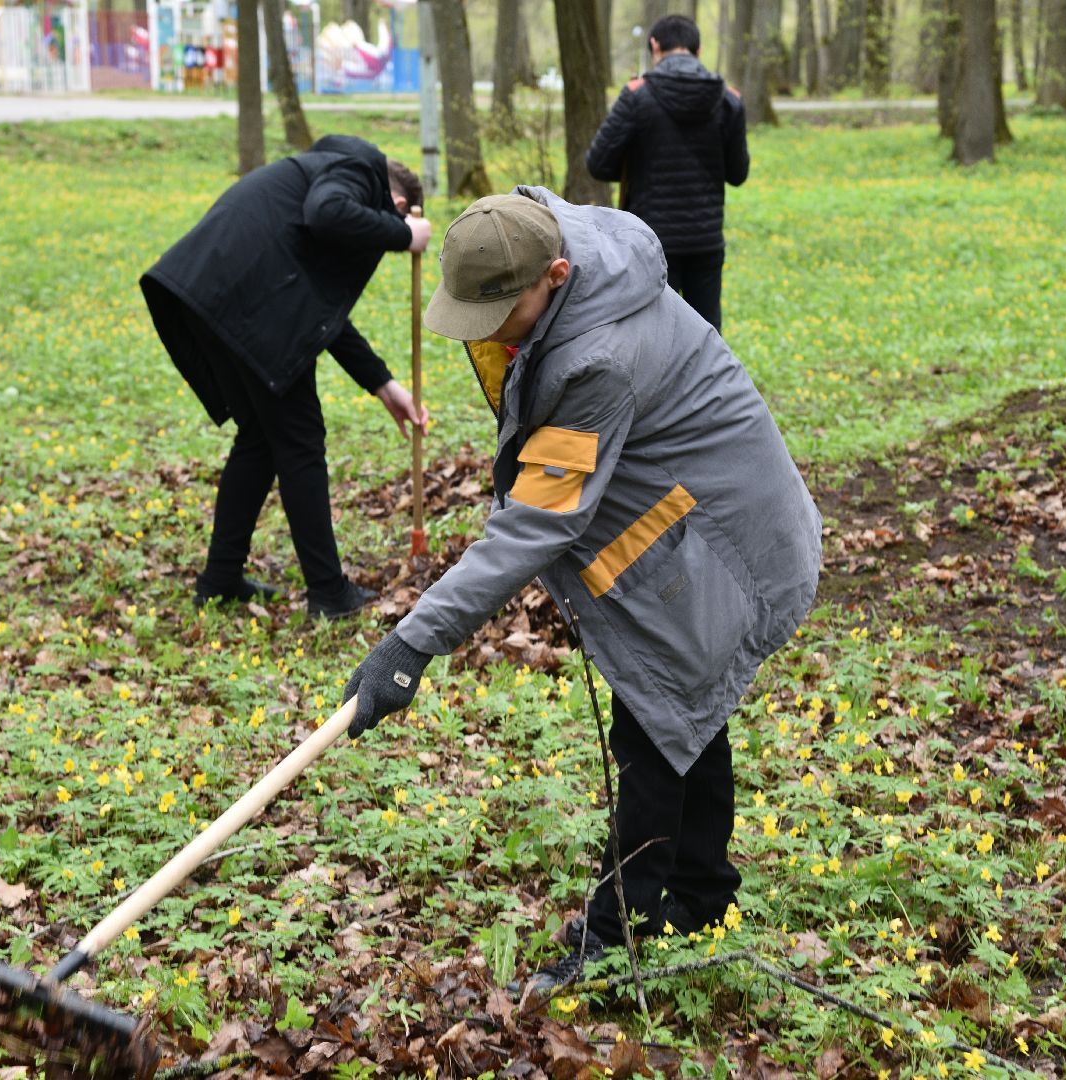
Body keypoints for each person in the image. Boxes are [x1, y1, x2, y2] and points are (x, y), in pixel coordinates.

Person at [341, 191, 820, 993]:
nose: (486, 331)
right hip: (690, 509)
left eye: (499, 312)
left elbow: (537, 523)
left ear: (555, 275)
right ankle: (700, 894)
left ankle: (615, 941)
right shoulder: (545, 237)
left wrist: (414, 640)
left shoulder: (598, 356)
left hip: (726, 538)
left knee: (660, 719)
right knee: (685, 710)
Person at [140, 135, 431, 618]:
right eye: (396, 218)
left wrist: (384, 385)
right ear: (397, 202)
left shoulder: (324, 171)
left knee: (259, 439)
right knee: (299, 440)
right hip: (244, 304)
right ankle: (328, 593)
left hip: (219, 298)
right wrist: (404, 235)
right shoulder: (358, 165)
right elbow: (327, 211)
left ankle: (220, 579)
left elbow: (322, 315)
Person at [584, 14, 748, 333]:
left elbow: (598, 164)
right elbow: (738, 173)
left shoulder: (636, 96)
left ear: (655, 46)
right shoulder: (728, 99)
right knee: (707, 339)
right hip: (706, 240)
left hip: (650, 242)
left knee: (653, 337)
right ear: (697, 51)